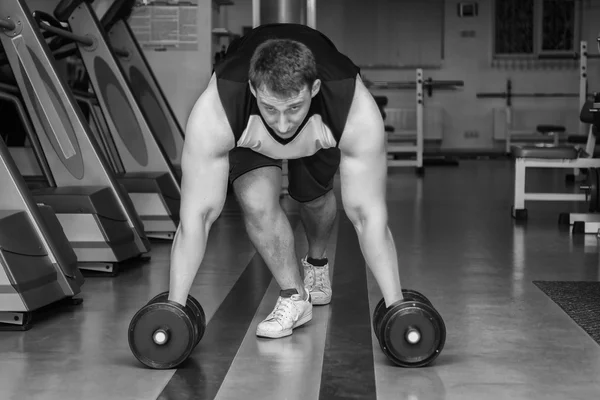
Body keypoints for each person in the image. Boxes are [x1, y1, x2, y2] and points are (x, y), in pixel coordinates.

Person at [168, 23, 403, 339]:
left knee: (313, 198)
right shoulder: (218, 110)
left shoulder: (351, 106)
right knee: (257, 204)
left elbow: (367, 215)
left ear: (315, 89)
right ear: (253, 91)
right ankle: (294, 296)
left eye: (293, 107)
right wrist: (173, 308)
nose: (282, 124)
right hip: (250, 133)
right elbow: (197, 217)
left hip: (318, 129)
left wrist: (397, 306)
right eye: (270, 108)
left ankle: (317, 263)